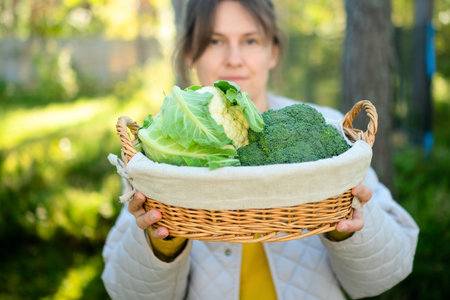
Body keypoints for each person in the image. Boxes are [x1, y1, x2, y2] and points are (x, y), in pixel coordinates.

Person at [102, 1, 419, 299]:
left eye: (251, 41)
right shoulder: (161, 152)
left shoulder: (334, 128)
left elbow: (387, 274)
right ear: (190, 54)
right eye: (215, 41)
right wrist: (160, 244)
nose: (234, 58)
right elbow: (125, 290)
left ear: (274, 52)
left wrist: (348, 227)